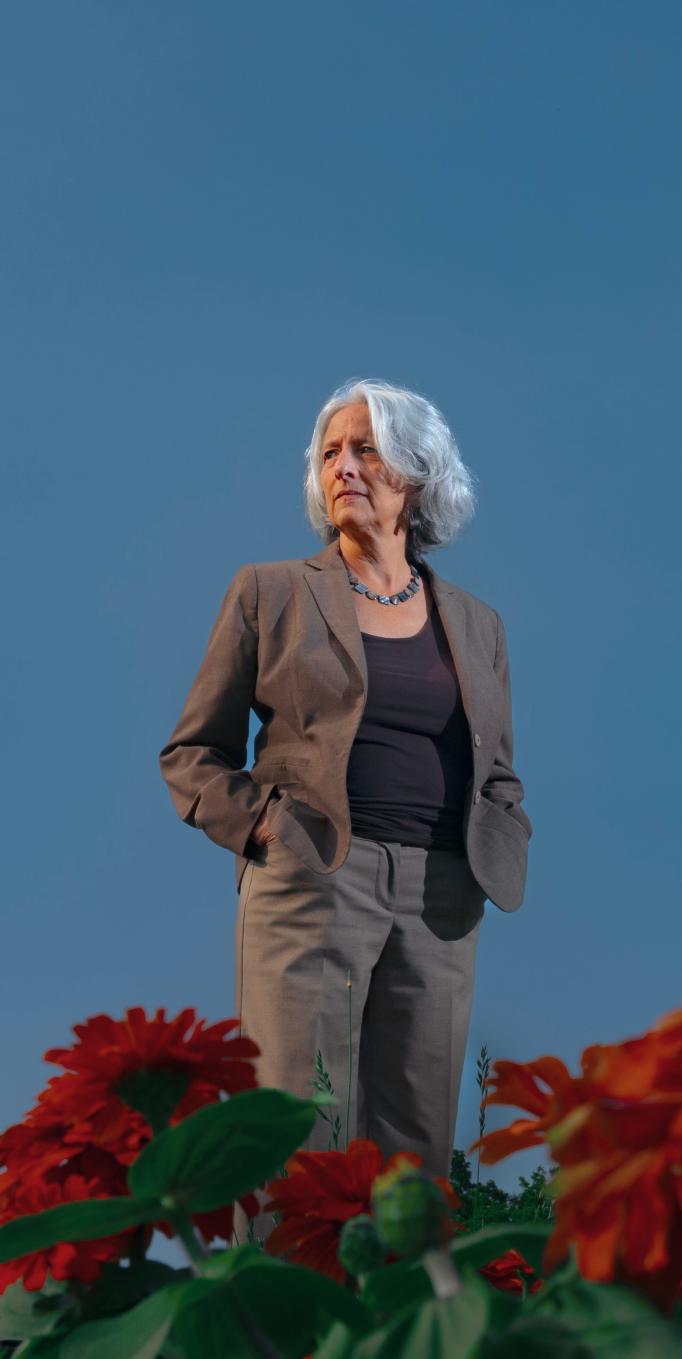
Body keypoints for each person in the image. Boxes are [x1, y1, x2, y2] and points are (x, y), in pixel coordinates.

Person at [159, 378, 531, 1182]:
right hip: (315, 876)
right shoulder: (271, 591)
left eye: (367, 448)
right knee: (298, 1133)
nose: (345, 466)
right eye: (330, 452)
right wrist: (268, 831)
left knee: (416, 1155)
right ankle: (288, 1305)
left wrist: (493, 847)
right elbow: (192, 754)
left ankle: (396, 1311)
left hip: (441, 897)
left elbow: (499, 771)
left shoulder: (478, 624)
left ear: (418, 476)